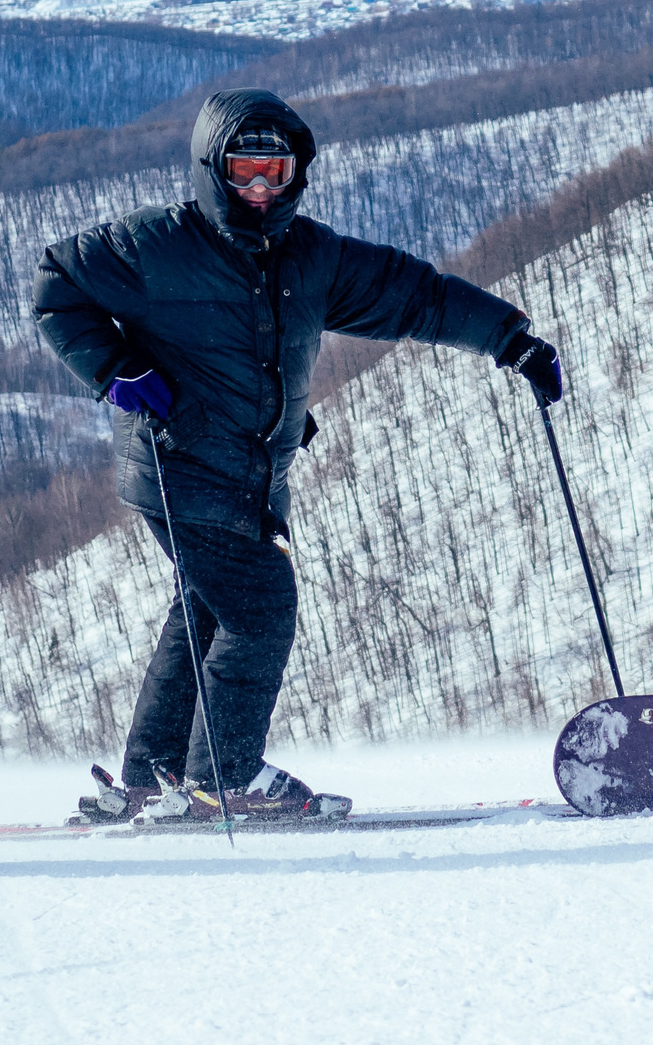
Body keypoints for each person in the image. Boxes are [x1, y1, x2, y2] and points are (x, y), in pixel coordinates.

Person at [32, 89, 562, 823]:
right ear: (212, 169)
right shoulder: (159, 245)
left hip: (249, 474)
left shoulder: (312, 259)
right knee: (260, 607)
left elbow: (417, 297)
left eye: (274, 172)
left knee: (209, 609)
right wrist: (114, 368)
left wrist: (512, 340)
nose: (258, 190)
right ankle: (226, 774)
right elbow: (56, 284)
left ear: (296, 172)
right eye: (243, 171)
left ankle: (153, 775)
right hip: (179, 461)